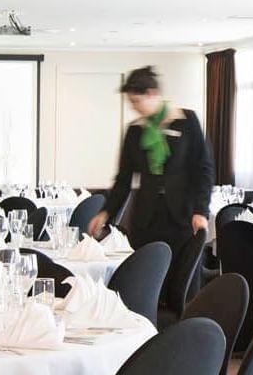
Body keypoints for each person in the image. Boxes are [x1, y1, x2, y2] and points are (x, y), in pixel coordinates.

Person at [90, 66, 214, 260]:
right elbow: (123, 179)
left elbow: (204, 170)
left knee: (183, 272)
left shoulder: (187, 121)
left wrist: (201, 210)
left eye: (136, 101)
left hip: (183, 216)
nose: (133, 107)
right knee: (147, 271)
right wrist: (106, 213)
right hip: (146, 218)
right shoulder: (135, 131)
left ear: (152, 93)